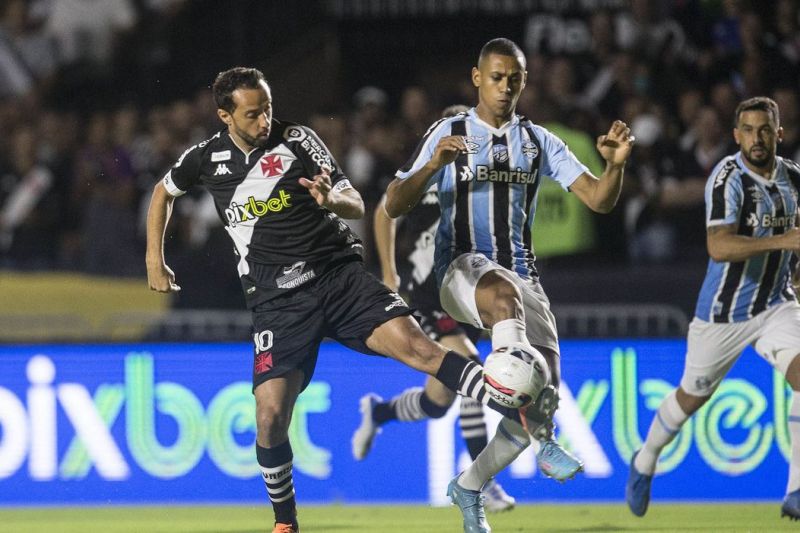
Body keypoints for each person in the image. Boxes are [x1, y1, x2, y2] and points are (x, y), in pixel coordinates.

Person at [145, 67, 548, 533]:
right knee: (270, 416)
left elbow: (355, 202)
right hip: (278, 303)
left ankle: (515, 404)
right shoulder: (205, 158)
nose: (264, 121)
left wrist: (330, 200)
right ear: (225, 115)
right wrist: (155, 260)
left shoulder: (297, 139)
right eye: (253, 114)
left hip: (338, 279)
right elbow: (162, 193)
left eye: (268, 109)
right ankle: (285, 522)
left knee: (422, 350)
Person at [385, 38, 634, 533]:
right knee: (503, 303)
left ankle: (470, 486)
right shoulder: (450, 130)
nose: (504, 87)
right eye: (496, 77)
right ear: (477, 78)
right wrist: (433, 165)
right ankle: (543, 439)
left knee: (540, 394)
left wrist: (617, 165)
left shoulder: (538, 141)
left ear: (523, 82)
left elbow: (599, 200)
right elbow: (393, 203)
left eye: (513, 79)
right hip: (460, 269)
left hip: (524, 278)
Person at [625, 96, 800, 520]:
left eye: (765, 130)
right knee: (691, 396)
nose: (756, 139)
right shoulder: (726, 178)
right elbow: (718, 246)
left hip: (777, 305)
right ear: (736, 135)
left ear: (779, 133)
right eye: (748, 130)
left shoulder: (794, 179)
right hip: (722, 315)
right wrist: (784, 241)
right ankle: (645, 459)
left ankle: (795, 491)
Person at [352, 104, 516, 513]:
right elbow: (383, 213)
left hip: (463, 293)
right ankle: (482, 484)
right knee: (469, 365)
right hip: (424, 290)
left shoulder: (480, 183)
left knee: (439, 400)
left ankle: (380, 411)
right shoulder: (426, 173)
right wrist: (389, 272)